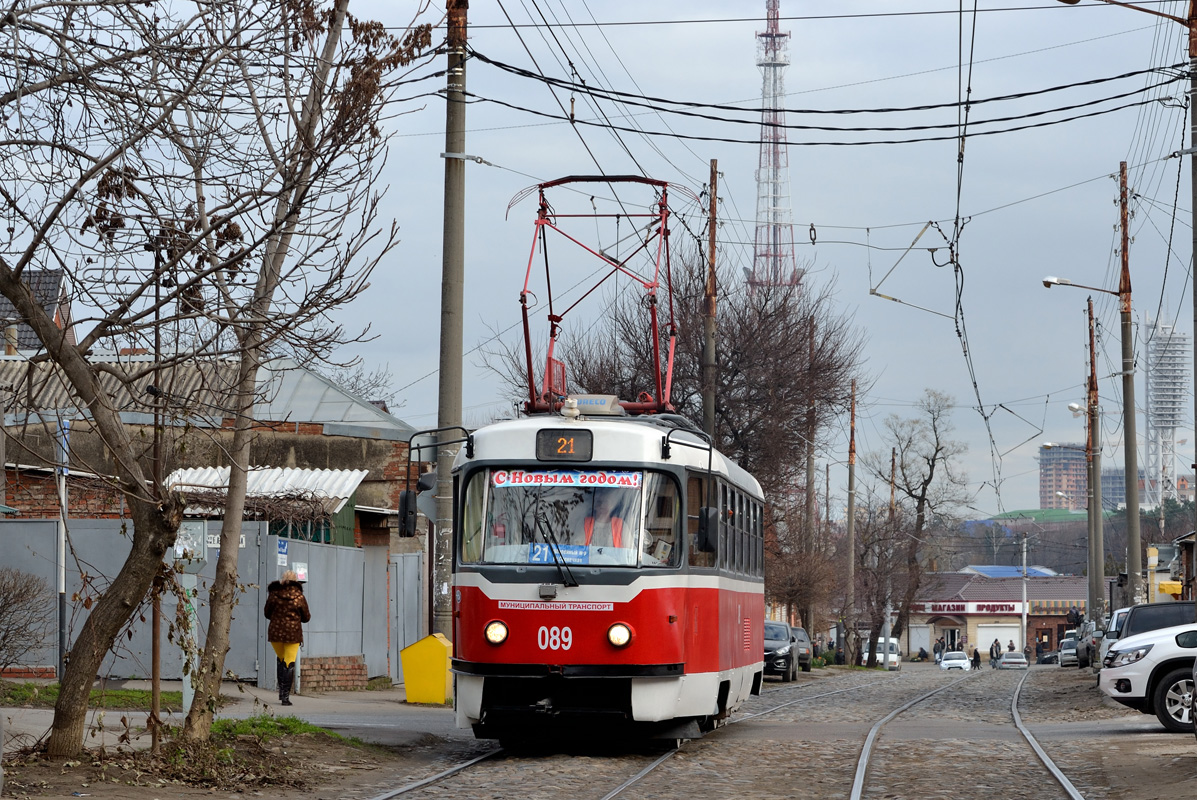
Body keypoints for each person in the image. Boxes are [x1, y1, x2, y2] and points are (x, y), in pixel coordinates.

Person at [264, 569, 311, 706]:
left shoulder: (273, 594)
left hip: (276, 633)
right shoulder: (299, 597)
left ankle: (281, 692)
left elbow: (267, 613)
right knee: (289, 663)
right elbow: (306, 617)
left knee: (281, 660)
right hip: (292, 634)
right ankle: (285, 697)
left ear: (283, 580)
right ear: (295, 581)